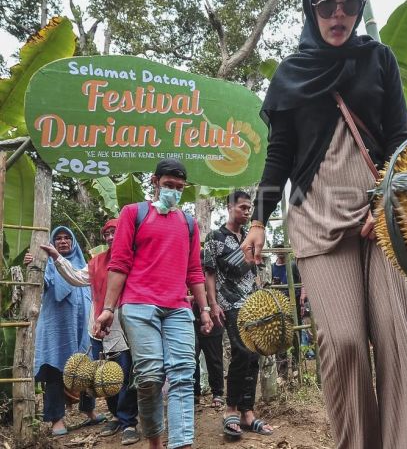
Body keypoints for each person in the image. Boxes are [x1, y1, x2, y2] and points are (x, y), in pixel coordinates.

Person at [241, 0, 407, 447]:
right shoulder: (290, 74)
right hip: (316, 215)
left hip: (380, 211)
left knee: (396, 337)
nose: (339, 13)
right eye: (326, 1)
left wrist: (387, 202)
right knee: (344, 341)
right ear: (310, 5)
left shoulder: (380, 59)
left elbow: (399, 140)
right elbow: (281, 154)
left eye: (351, 1)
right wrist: (258, 220)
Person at [94, 158, 213, 449]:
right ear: (155, 182)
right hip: (138, 305)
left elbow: (194, 271)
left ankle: (182, 443)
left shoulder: (188, 223)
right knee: (149, 377)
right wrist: (108, 309)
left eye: (179, 187)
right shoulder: (133, 213)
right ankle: (155, 441)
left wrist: (206, 310)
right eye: (168, 185)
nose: (174, 191)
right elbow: (119, 263)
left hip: (177, 307)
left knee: (184, 373)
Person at [32, 219, 140, 445]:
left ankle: (129, 421)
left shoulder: (136, 258)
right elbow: (75, 277)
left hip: (125, 327)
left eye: (115, 232)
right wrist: (53, 257)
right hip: (98, 327)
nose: (111, 237)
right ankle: (116, 417)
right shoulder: (96, 262)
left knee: (126, 375)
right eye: (107, 233)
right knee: (103, 377)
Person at [202, 190, 274, 438]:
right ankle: (230, 408)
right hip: (230, 303)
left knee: (254, 354)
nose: (246, 212)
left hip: (253, 303)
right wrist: (213, 304)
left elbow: (254, 270)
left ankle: (247, 411)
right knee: (241, 352)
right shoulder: (215, 237)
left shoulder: (250, 236)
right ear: (229, 207)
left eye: (249, 208)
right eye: (242, 207)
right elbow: (209, 272)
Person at [28, 226, 104, 436]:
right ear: (53, 243)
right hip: (56, 328)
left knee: (85, 368)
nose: (63, 241)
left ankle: (89, 411)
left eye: (67, 238)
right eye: (58, 238)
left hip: (82, 325)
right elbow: (39, 283)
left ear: (73, 242)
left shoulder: (84, 265)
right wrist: (32, 264)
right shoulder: (48, 265)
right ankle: (57, 420)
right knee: (54, 369)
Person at [271, 243, 304, 378]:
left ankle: (296, 366)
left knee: (295, 333)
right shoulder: (271, 267)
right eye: (277, 249)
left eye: (282, 249)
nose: (280, 252)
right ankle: (282, 371)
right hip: (277, 306)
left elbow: (303, 281)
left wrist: (302, 296)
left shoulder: (293, 265)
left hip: (293, 302)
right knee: (280, 337)